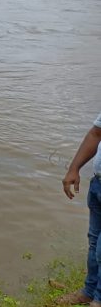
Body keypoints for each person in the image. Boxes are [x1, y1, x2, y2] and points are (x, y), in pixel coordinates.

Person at [57, 111, 101, 307]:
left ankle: (98, 299)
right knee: (93, 241)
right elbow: (96, 133)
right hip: (98, 184)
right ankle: (89, 291)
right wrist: (74, 168)